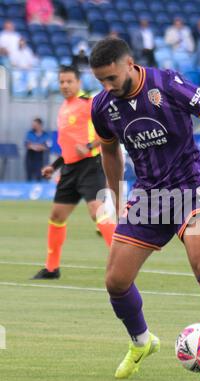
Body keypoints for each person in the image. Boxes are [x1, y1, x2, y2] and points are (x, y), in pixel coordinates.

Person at [89, 37, 200, 379]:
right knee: (116, 281)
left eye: (111, 78)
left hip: (190, 188)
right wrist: (116, 197)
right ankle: (141, 341)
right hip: (148, 196)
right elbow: (108, 151)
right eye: (100, 80)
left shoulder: (169, 84)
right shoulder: (103, 106)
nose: (106, 86)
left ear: (129, 64)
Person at [32, 65, 115, 280]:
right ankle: (52, 268)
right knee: (57, 216)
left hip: (90, 164)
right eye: (61, 82)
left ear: (78, 82)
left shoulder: (88, 104)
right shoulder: (63, 108)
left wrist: (88, 146)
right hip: (69, 169)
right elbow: (67, 147)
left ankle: (122, 260)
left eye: (69, 81)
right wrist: (54, 166)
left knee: (97, 211)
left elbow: (111, 130)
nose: (65, 85)